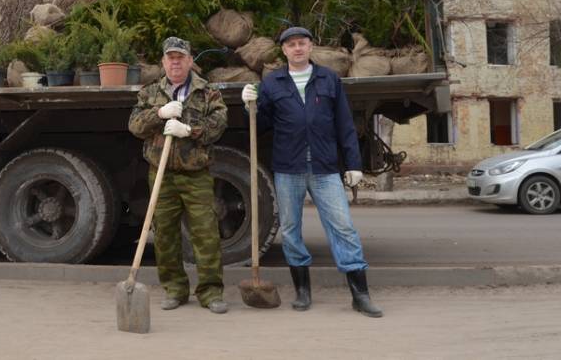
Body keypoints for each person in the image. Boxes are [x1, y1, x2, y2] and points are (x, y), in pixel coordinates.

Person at [241, 26, 383, 317]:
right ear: (284, 50)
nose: (297, 48)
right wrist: (250, 105)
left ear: (310, 47)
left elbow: (344, 124)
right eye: (291, 44)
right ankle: (302, 292)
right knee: (292, 230)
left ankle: (360, 294)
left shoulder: (328, 79)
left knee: (343, 227)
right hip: (288, 168)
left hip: (324, 167)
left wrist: (353, 164)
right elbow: (263, 123)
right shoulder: (273, 82)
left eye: (301, 43)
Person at [128, 37, 229, 314]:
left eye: (180, 57)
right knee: (165, 235)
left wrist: (189, 130)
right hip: (161, 175)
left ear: (189, 61)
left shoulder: (207, 92)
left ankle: (211, 292)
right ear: (163, 62)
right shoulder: (151, 93)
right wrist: (158, 113)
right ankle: (175, 289)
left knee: (206, 233)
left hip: (196, 174)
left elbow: (218, 125)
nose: (175, 62)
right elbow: (135, 126)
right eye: (170, 57)